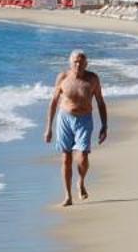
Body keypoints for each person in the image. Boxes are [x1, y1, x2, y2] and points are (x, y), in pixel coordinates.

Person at [43, 50, 109, 207]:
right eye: (75, 62)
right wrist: (49, 127)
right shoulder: (63, 77)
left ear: (86, 64)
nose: (78, 64)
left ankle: (80, 182)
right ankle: (68, 196)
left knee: (83, 156)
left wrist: (104, 125)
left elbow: (100, 102)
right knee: (66, 157)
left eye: (81, 62)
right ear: (70, 63)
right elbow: (53, 101)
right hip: (64, 118)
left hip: (84, 120)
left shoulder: (92, 79)